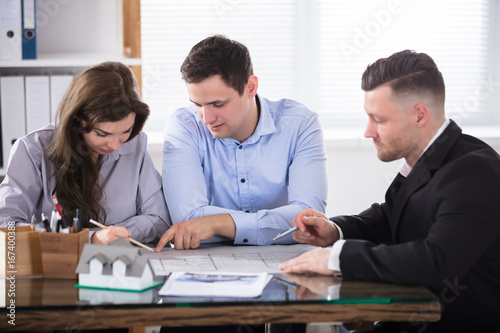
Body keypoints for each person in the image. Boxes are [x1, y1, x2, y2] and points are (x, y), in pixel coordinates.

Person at [279, 50, 500, 332]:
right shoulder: (424, 159)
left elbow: (436, 261)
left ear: (419, 115)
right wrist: (335, 231)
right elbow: (390, 217)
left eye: (379, 120)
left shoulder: (473, 172)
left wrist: (338, 257)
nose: (368, 132)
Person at [156, 35, 328, 251]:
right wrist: (274, 224)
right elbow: (187, 218)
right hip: (208, 268)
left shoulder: (301, 125)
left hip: (285, 263)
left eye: (217, 104)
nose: (206, 118)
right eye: (197, 105)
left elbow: (308, 219)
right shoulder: (184, 125)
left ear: (250, 87)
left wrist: (217, 224)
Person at [0, 61, 171, 244]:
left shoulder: (136, 144)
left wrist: (119, 235)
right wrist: (90, 240)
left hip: (122, 263)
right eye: (103, 134)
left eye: (125, 131)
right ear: (78, 119)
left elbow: (159, 220)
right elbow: (6, 224)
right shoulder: (31, 150)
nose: (115, 146)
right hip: (55, 265)